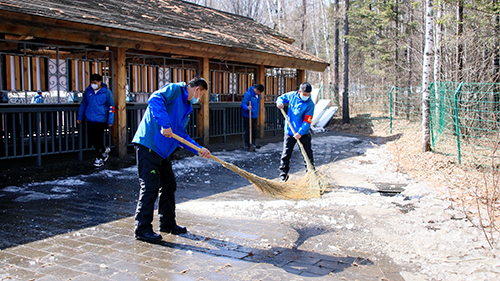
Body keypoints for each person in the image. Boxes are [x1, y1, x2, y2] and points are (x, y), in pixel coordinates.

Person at [132, 77, 211, 243]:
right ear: (197, 89)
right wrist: (165, 124)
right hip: (149, 144)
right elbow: (155, 99)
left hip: (163, 151)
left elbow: (180, 134)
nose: (200, 99)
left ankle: (167, 223)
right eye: (201, 94)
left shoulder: (187, 106)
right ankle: (142, 228)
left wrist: (198, 149)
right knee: (150, 187)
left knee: (169, 185)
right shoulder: (175, 90)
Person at [276, 82, 315, 182]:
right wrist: (279, 103)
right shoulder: (292, 96)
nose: (306, 96)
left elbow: (307, 121)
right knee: (286, 153)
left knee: (307, 154)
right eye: (305, 94)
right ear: (300, 92)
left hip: (303, 133)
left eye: (308, 95)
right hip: (289, 131)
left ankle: (311, 174)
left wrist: (300, 133)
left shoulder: (310, 104)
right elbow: (281, 98)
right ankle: (283, 175)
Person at [77, 74, 115, 167]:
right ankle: (104, 150)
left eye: (95, 82)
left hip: (100, 119)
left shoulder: (106, 92)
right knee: (91, 139)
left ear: (100, 82)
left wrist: (110, 120)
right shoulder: (88, 91)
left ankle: (99, 158)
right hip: (90, 119)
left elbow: (111, 106)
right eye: (91, 82)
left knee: (98, 139)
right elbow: (83, 104)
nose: (93, 84)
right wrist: (79, 117)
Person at [241, 84, 264, 150]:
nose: (259, 93)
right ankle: (247, 144)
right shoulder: (248, 94)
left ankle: (253, 143)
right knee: (248, 130)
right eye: (258, 92)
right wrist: (247, 107)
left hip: (254, 115)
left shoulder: (259, 95)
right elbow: (243, 104)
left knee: (254, 130)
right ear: (256, 89)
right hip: (248, 115)